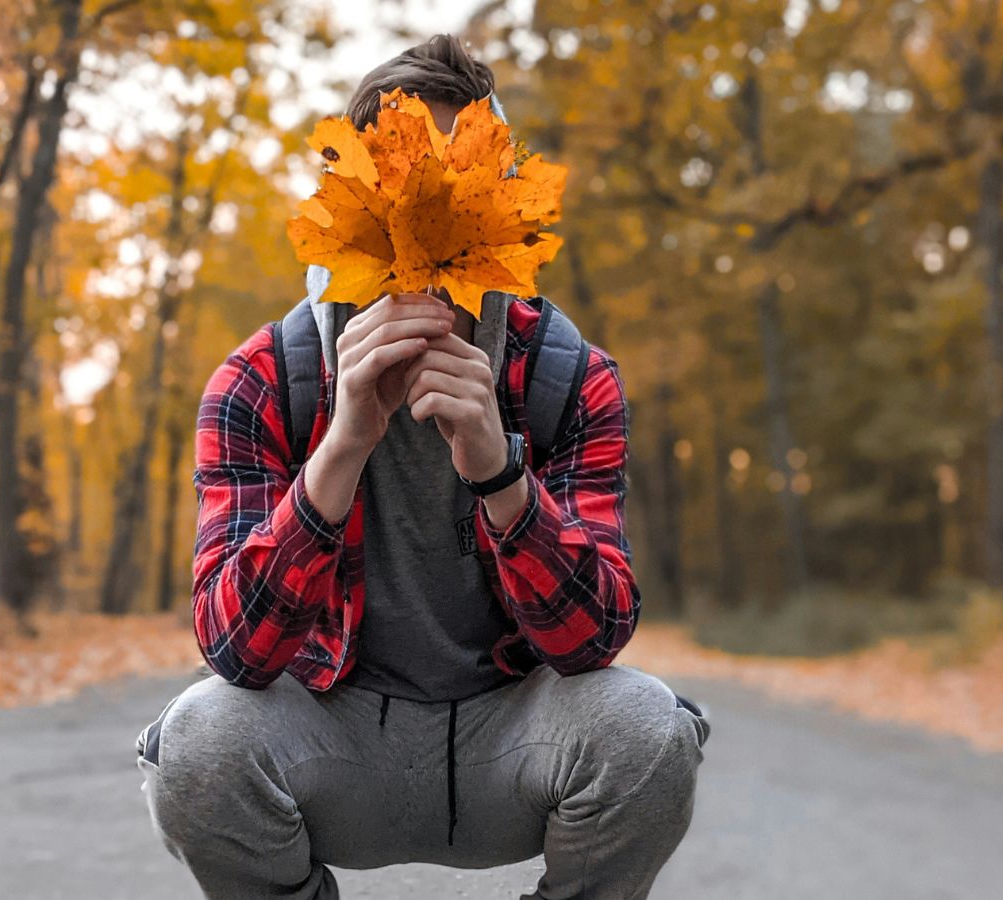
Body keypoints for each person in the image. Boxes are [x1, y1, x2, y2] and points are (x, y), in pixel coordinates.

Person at [135, 32, 709, 900]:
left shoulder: (568, 378)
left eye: (456, 200)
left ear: (503, 212)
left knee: (648, 731)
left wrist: (499, 473)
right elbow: (233, 649)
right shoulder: (258, 383)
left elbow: (596, 639)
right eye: (396, 201)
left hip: (509, 741)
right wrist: (341, 447)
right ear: (349, 213)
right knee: (199, 743)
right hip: (335, 744)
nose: (422, 243)